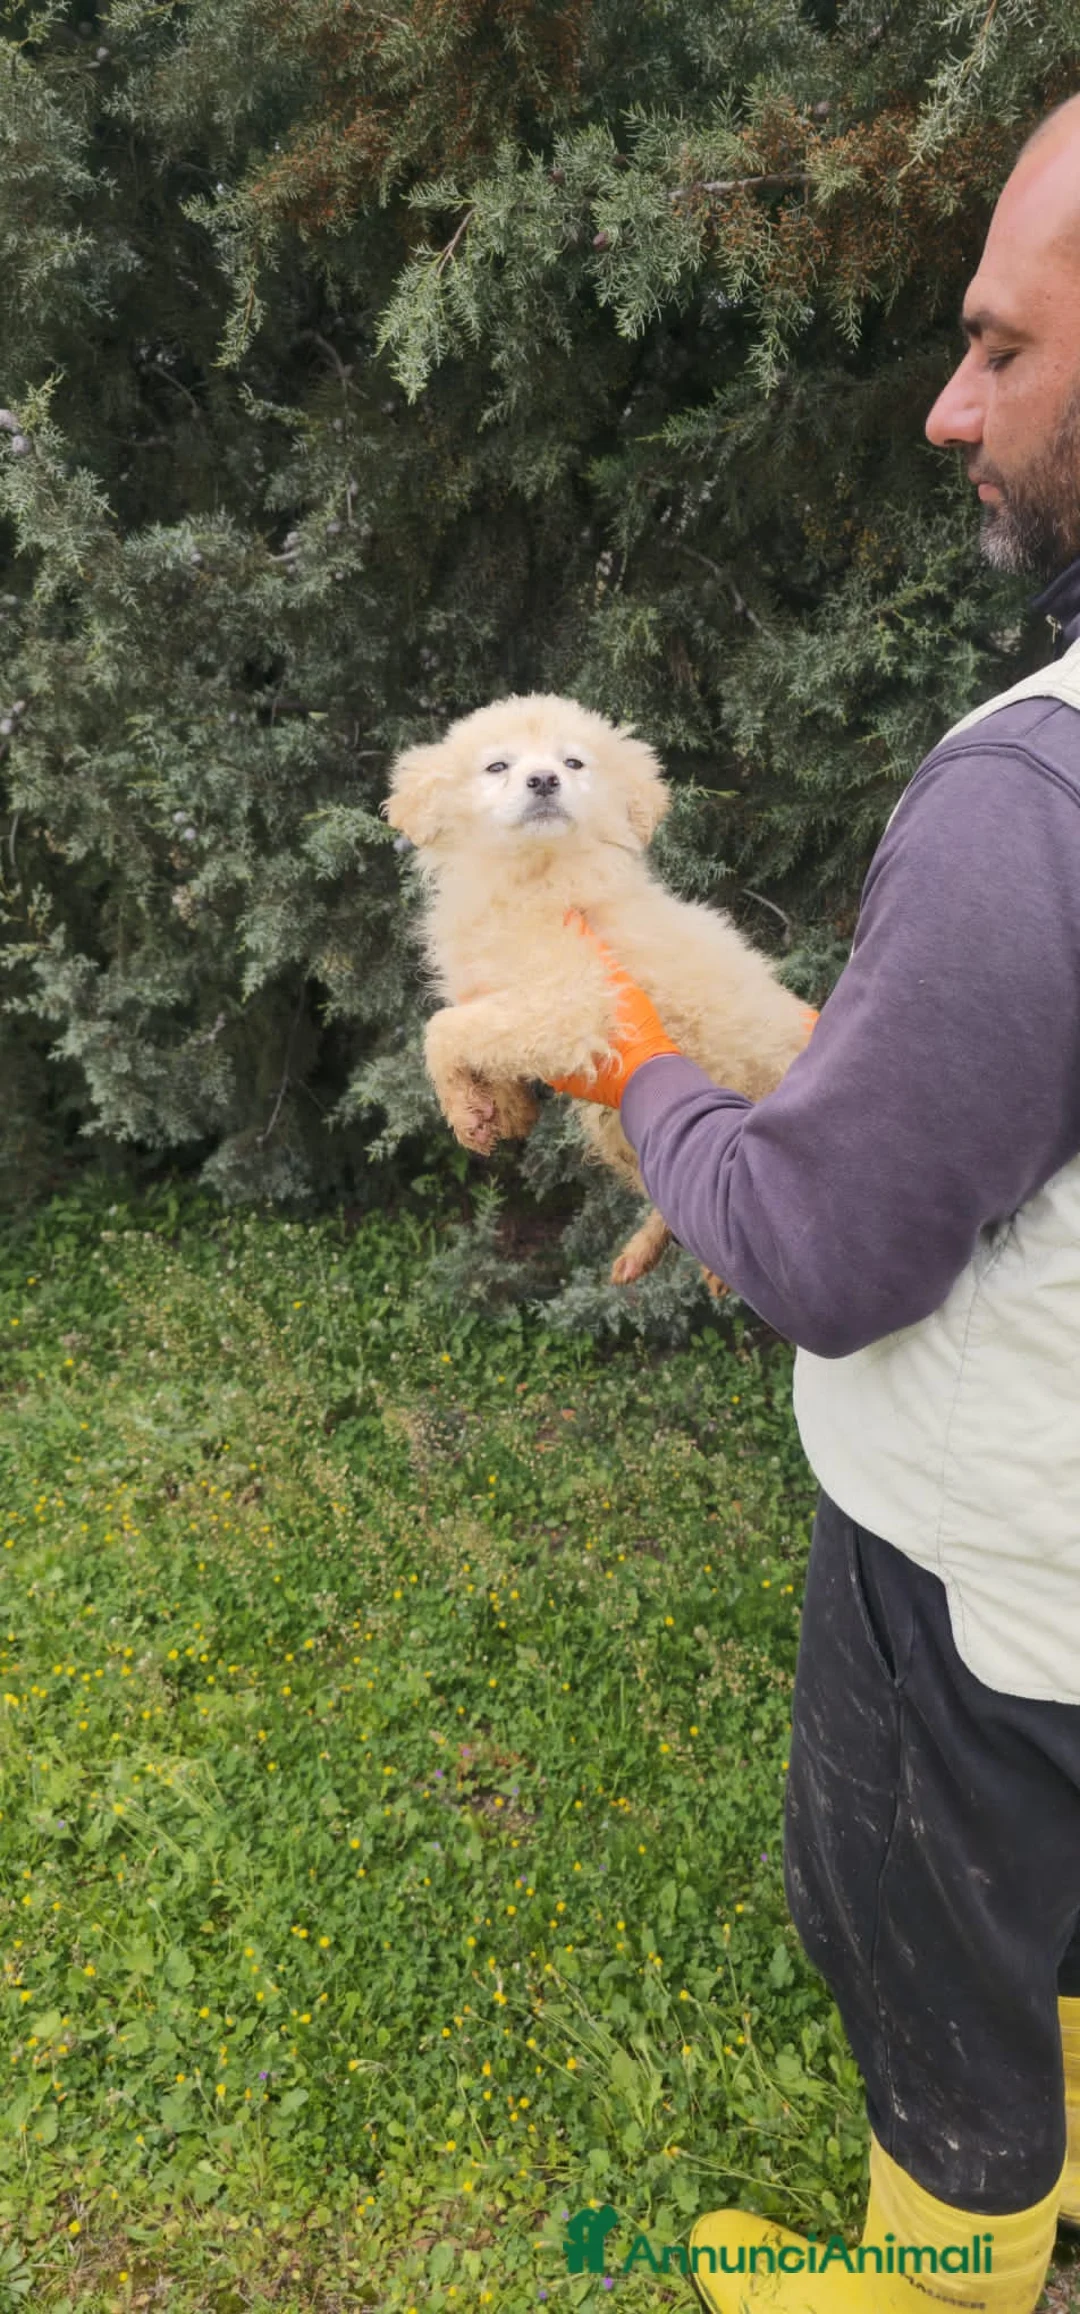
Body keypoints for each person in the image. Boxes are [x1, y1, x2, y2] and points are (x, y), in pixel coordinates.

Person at [546, 94, 1080, 2314]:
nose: (951, 406)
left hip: (995, 1584)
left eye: (1006, 346)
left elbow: (838, 1257)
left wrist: (640, 1079)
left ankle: (947, 2273)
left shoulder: (1031, 796)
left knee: (942, 1956)